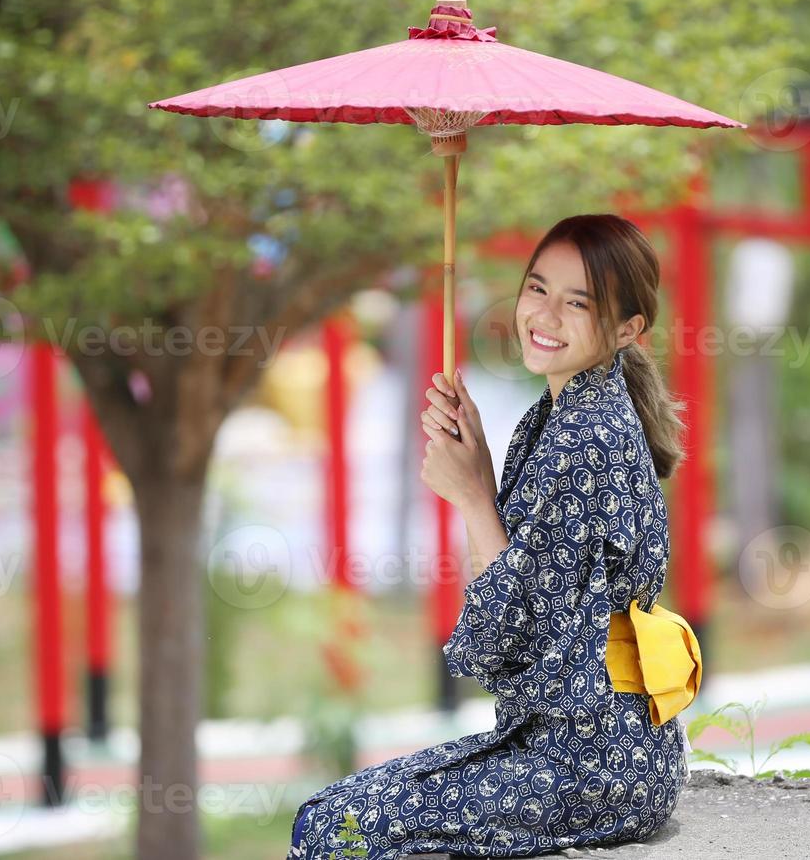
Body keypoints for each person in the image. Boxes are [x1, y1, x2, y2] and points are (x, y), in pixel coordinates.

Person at [287, 213, 690, 859]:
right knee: (338, 811)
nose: (546, 315)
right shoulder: (559, 413)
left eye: (578, 302)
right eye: (537, 289)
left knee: (334, 828)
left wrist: (473, 493)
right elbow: (516, 598)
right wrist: (473, 469)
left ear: (626, 329)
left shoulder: (585, 441)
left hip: (593, 764)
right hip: (579, 745)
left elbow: (510, 644)